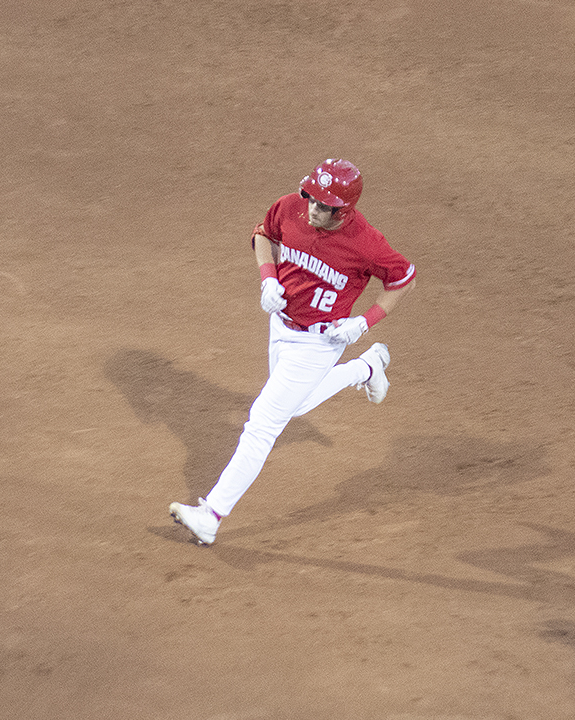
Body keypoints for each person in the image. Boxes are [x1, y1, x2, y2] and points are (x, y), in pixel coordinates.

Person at [169, 158, 417, 545]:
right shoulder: (290, 207)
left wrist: (364, 322)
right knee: (296, 405)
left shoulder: (367, 243)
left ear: (345, 210)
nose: (313, 209)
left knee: (263, 422)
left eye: (324, 205)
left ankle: (211, 515)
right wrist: (268, 278)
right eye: (311, 198)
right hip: (280, 326)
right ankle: (366, 368)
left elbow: (404, 279)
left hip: (320, 342)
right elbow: (263, 233)